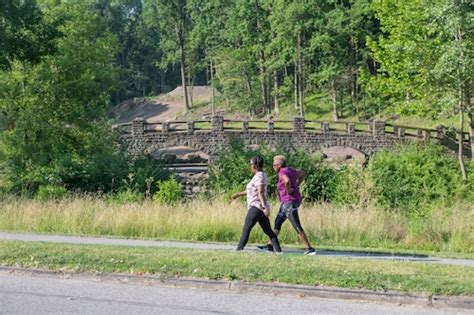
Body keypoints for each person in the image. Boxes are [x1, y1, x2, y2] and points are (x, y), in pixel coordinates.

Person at [258, 155, 316, 255]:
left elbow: (287, 181)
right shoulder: (291, 170)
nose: (273, 167)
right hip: (287, 202)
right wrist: (297, 185)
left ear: (279, 165)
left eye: (274, 165)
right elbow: (303, 173)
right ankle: (270, 245)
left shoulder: (282, 172)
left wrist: (288, 190)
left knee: (296, 225)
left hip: (289, 202)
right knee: (277, 223)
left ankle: (309, 248)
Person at [231, 155, 282, 253]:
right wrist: (239, 194)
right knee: (268, 231)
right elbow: (253, 191)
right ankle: (279, 251)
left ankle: (239, 249)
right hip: (260, 208)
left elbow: (260, 192)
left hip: (257, 207)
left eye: (250, 164)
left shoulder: (259, 176)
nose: (250, 166)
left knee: (246, 228)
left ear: (255, 165)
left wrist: (264, 207)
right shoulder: (260, 175)